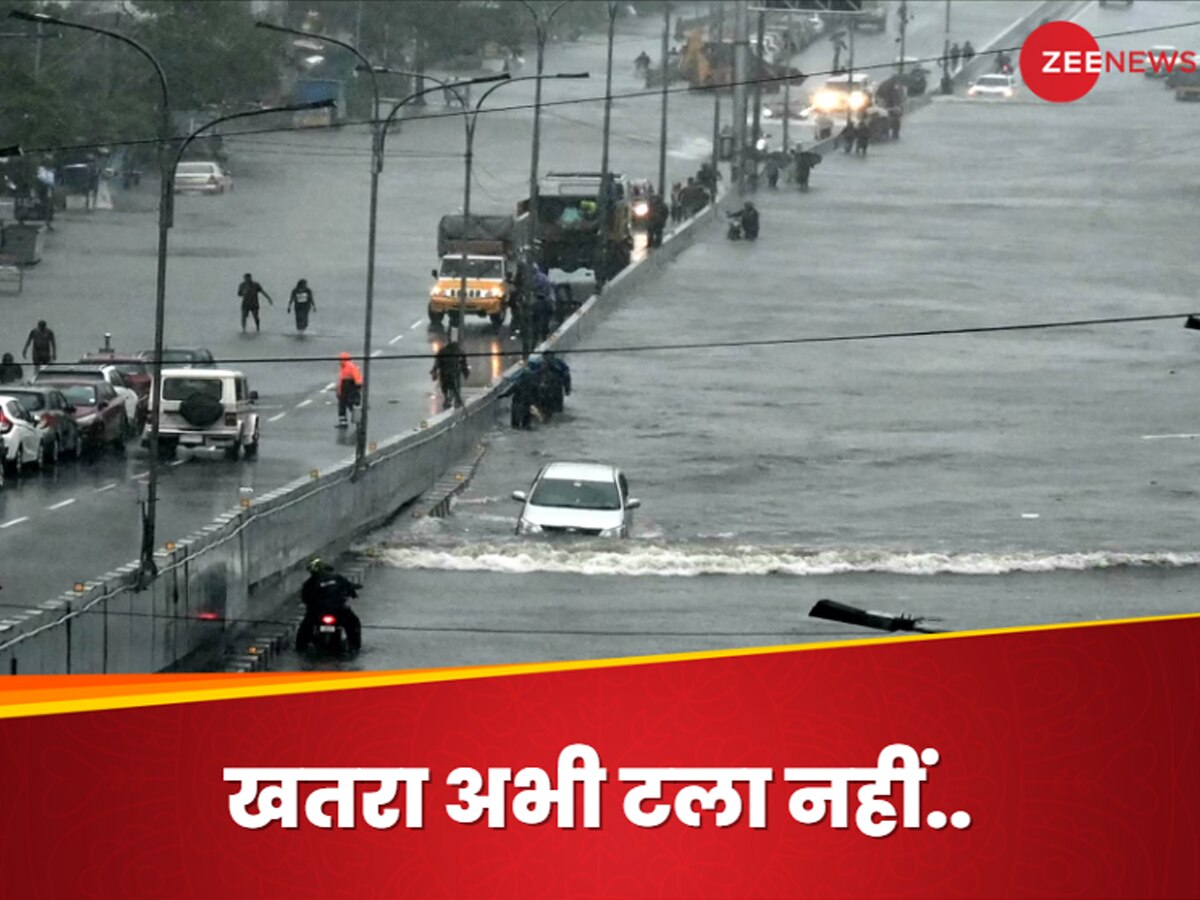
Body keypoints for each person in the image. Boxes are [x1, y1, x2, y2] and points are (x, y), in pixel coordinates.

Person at [297, 557, 363, 653]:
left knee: (305, 628)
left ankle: (300, 648)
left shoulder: (309, 583)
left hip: (318, 613)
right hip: (339, 611)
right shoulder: (337, 577)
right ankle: (354, 647)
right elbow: (349, 587)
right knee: (353, 623)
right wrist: (353, 592)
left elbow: (305, 599)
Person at [431, 334, 469, 410]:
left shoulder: (443, 351)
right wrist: (465, 371)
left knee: (446, 387)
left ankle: (450, 399)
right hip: (452, 372)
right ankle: (454, 399)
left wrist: (434, 371)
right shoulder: (458, 351)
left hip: (446, 372)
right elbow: (463, 363)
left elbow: (437, 362)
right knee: (453, 386)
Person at [336, 351, 363, 428]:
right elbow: (341, 380)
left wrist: (358, 385)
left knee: (351, 404)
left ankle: (359, 421)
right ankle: (343, 422)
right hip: (345, 387)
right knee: (342, 404)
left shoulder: (350, 366)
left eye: (340, 359)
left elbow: (356, 376)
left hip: (350, 387)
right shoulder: (344, 367)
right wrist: (339, 390)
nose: (339, 361)